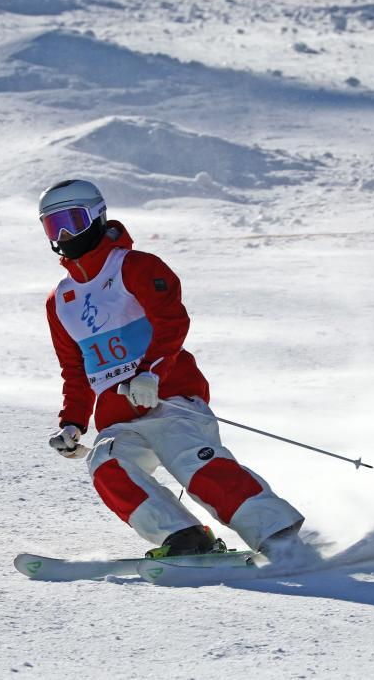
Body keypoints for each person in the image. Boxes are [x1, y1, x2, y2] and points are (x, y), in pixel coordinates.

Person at [38, 179, 307, 561]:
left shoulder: (136, 266)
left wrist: (152, 374)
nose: (64, 234)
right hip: (118, 418)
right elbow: (75, 369)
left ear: (97, 217)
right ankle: (186, 537)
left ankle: (276, 534)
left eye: (73, 221)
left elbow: (171, 323)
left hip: (170, 401)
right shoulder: (60, 301)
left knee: (192, 463)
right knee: (106, 465)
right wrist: (73, 423)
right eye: (53, 226)